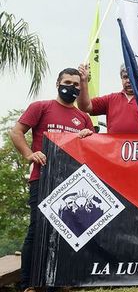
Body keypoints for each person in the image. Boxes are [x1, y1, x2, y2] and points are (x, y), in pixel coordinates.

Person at [9, 68, 94, 290]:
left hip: (72, 184)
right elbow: (16, 132)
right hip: (42, 179)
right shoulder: (41, 107)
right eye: (68, 82)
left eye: (77, 84)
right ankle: (28, 284)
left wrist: (88, 137)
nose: (72, 87)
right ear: (58, 83)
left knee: (68, 232)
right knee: (37, 230)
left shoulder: (83, 118)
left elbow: (93, 150)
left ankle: (59, 283)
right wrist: (29, 154)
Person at [77, 62, 138, 133]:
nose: (129, 80)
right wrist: (83, 81)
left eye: (132, 77)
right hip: (115, 156)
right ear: (121, 78)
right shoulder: (111, 99)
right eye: (125, 77)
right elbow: (85, 106)